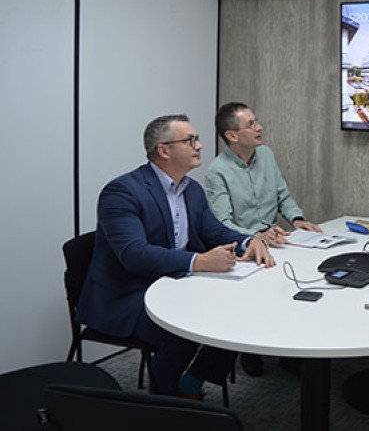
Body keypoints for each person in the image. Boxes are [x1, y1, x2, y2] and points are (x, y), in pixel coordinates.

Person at [77, 114, 274, 398]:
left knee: (239, 311)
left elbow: (215, 231)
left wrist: (249, 241)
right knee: (186, 326)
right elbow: (134, 255)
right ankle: (166, 396)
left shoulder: (191, 189)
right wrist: (199, 262)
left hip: (175, 281)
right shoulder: (122, 191)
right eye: (190, 140)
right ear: (164, 150)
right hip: (127, 293)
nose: (200, 146)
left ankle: (192, 381)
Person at [205, 102, 321, 376]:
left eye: (257, 122)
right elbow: (222, 222)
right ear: (231, 135)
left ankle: (289, 351)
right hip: (242, 248)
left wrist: (297, 219)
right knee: (261, 291)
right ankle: (251, 349)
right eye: (251, 124)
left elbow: (282, 195)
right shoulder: (217, 171)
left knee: (299, 284)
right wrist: (255, 236)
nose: (259, 128)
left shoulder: (265, 154)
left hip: (276, 239)